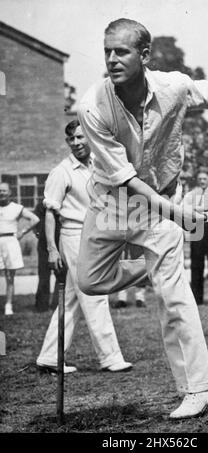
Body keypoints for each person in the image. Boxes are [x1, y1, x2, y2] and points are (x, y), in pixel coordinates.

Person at [77, 18, 208, 418]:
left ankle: (200, 387)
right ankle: (153, 269)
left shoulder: (173, 86)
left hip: (160, 202)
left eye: (122, 51)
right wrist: (180, 214)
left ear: (145, 55)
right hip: (114, 201)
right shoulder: (91, 105)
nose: (112, 59)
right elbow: (128, 180)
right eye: (107, 52)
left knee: (174, 297)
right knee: (89, 280)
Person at [36, 119, 132, 374]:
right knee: (95, 293)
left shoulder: (98, 165)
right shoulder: (62, 171)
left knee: (71, 300)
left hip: (96, 234)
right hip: (74, 236)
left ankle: (48, 357)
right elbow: (49, 212)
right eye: (71, 139)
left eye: (80, 137)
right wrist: (52, 249)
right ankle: (110, 358)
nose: (76, 143)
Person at [183, 170, 208, 305]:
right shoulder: (191, 194)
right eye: (200, 178)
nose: (202, 181)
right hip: (197, 227)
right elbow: (184, 212)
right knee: (196, 265)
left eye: (204, 178)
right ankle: (197, 298)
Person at [0, 182, 39, 315]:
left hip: (10, 242)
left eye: (4, 191)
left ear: (10, 192)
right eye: (0, 191)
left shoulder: (16, 208)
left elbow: (35, 219)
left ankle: (8, 305)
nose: (1, 193)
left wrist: (22, 231)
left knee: (10, 276)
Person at [33, 200, 59, 312]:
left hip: (60, 242)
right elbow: (34, 221)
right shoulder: (41, 204)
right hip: (44, 244)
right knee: (43, 275)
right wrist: (37, 232)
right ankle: (41, 305)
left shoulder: (63, 203)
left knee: (61, 274)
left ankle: (58, 304)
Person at [114, 244, 146, 308]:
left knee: (139, 266)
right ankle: (122, 299)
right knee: (123, 267)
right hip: (124, 240)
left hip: (137, 240)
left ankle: (140, 299)